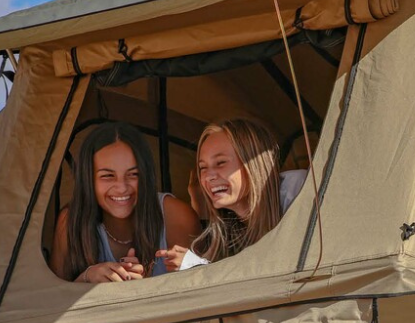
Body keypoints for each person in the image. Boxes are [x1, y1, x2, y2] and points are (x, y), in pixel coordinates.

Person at [49, 121, 202, 283]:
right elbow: (49, 300)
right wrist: (86, 278)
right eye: (107, 176)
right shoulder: (71, 222)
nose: (121, 188)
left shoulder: (176, 216)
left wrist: (143, 289)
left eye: (133, 174)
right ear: (89, 180)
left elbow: (204, 287)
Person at [157, 118, 306, 270]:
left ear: (253, 162)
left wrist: (198, 268)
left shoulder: (298, 191)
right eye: (203, 168)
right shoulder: (226, 231)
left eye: (221, 163)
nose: (208, 176)